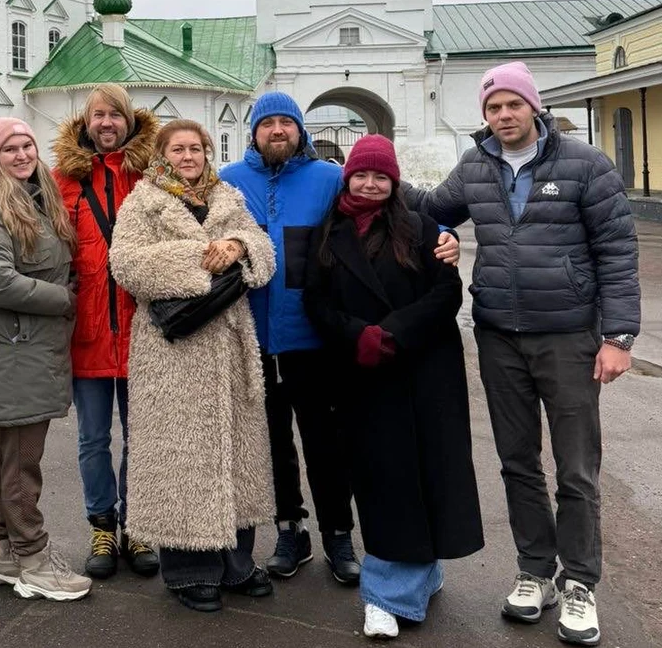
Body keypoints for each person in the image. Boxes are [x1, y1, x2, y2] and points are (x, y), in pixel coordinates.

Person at [404, 62, 640, 648]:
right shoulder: (477, 166)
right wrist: (362, 173)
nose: (503, 116)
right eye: (493, 108)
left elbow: (616, 250)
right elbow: (431, 207)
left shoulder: (585, 165)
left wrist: (619, 338)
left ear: (532, 107)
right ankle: (536, 571)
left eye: (513, 105)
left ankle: (580, 582)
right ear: (483, 116)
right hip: (498, 335)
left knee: (576, 467)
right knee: (516, 460)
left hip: (567, 336)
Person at [221, 94, 462, 585]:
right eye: (267, 123)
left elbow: (392, 199)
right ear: (253, 131)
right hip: (250, 337)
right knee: (270, 443)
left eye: (286, 122)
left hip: (314, 338)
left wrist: (443, 233)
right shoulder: (229, 183)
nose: (277, 130)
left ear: (300, 130)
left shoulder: (329, 179)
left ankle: (337, 532)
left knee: (325, 441)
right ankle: (291, 529)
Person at [304, 135, 484, 640]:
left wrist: (393, 333)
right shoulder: (329, 232)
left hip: (423, 366)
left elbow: (446, 291)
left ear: (394, 180)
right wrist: (357, 336)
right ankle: (388, 593)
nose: (370, 183)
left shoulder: (421, 227)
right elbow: (315, 301)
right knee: (383, 479)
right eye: (362, 174)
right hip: (362, 371)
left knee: (426, 473)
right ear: (348, 176)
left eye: (380, 176)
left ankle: (414, 577)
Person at [109, 120, 277, 612]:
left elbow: (264, 252)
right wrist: (202, 256)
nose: (189, 156)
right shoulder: (144, 201)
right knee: (181, 458)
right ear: (161, 155)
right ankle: (188, 571)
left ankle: (235, 564)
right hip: (173, 353)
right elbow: (127, 263)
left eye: (197, 148)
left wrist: (240, 247)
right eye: (178, 149)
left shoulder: (227, 197)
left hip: (228, 346)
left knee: (236, 455)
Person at [0, 118, 90, 601]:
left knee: (11, 454)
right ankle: (34, 559)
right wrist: (63, 299)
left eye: (28, 146)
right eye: (10, 149)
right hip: (15, 348)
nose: (21, 155)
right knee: (24, 459)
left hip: (35, 346)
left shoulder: (41, 200)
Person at [52, 85, 160, 579]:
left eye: (115, 114)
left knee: (143, 437)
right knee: (93, 439)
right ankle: (102, 527)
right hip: (90, 330)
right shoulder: (63, 180)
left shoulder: (151, 174)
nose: (107, 123)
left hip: (145, 329)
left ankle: (139, 526)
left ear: (129, 121)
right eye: (99, 115)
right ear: (86, 121)